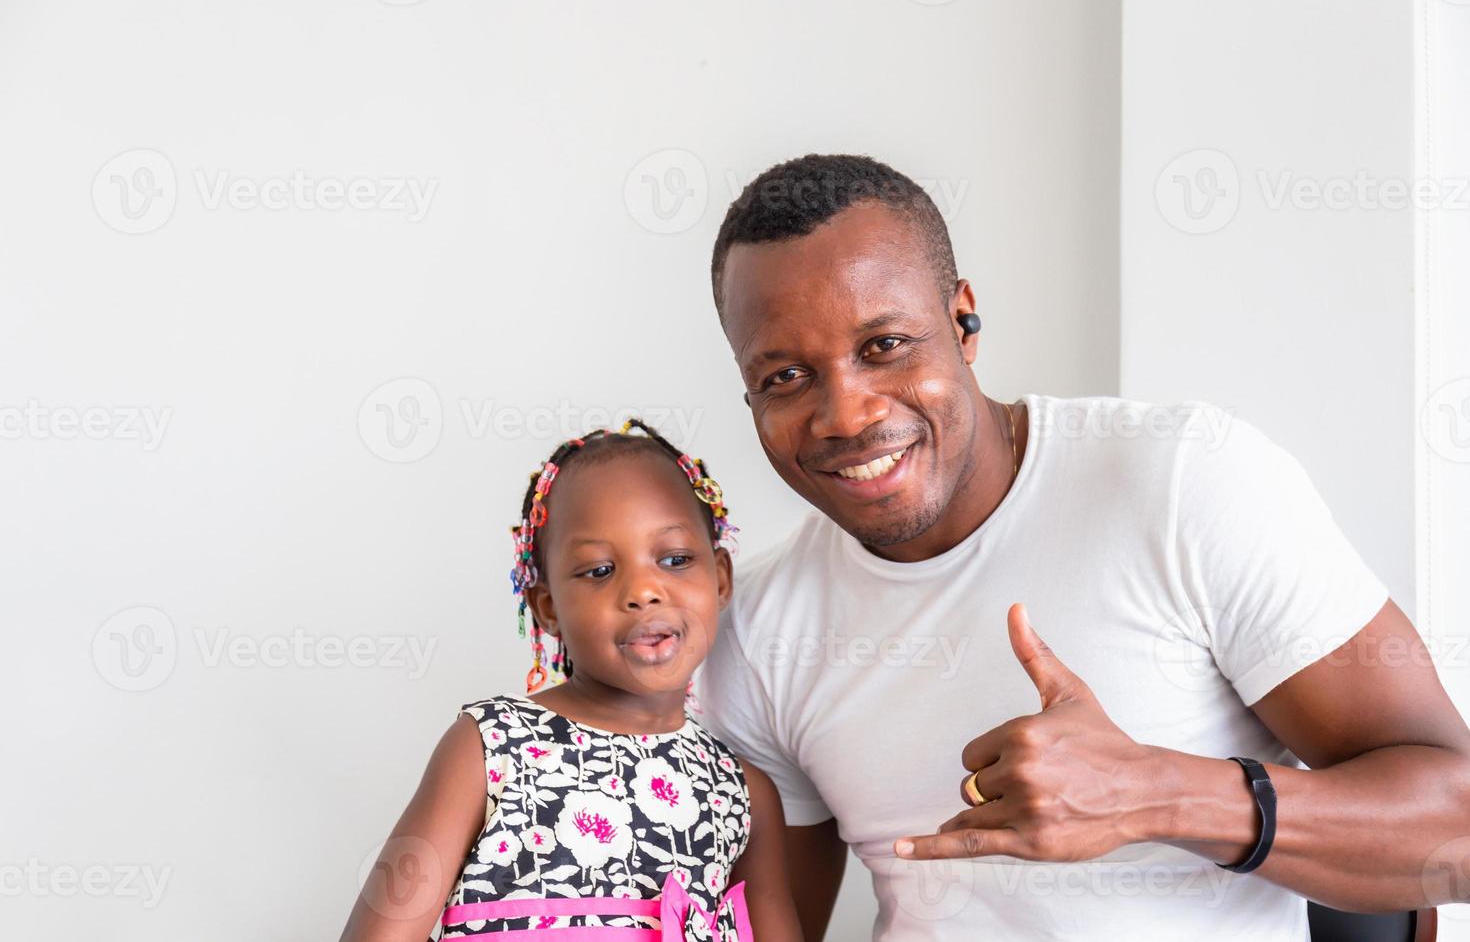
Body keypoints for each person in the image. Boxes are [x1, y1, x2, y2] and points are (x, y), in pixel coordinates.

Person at [695, 153, 1470, 940]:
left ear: (963, 319)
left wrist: (1156, 793)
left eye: (884, 345)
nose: (847, 414)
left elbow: (1459, 836)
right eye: (787, 376)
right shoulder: (754, 629)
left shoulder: (1180, 482)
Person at [339, 421, 803, 942]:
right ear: (548, 608)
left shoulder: (742, 793)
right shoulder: (491, 746)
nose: (644, 590)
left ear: (720, 578)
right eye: (599, 571)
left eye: (674, 560)